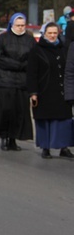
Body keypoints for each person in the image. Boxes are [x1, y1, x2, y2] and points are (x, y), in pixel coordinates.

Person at [27, 22, 74, 158]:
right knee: (45, 120)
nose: (53, 36)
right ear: (44, 34)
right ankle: (45, 147)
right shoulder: (37, 50)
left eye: (55, 33)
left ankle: (63, 147)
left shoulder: (63, 48)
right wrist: (33, 92)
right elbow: (32, 73)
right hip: (44, 91)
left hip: (61, 90)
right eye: (50, 33)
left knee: (64, 120)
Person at [0, 12, 36, 151]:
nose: (20, 28)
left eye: (23, 25)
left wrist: (24, 66)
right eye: (17, 25)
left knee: (19, 112)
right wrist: (17, 65)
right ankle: (4, 137)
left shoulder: (29, 40)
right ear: (12, 25)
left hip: (22, 83)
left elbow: (34, 58)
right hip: (6, 81)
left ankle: (13, 139)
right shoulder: (3, 38)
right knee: (6, 111)